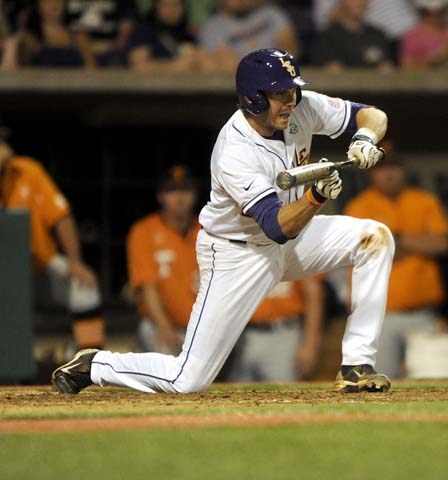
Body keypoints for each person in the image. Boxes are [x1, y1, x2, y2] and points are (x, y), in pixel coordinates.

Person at [52, 48, 393, 395]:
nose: (290, 101)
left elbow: (373, 115)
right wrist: (316, 197)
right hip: (238, 255)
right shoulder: (235, 149)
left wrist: (365, 137)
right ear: (253, 98)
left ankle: (356, 365)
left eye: (292, 91)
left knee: (375, 238)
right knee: (187, 379)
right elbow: (277, 227)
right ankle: (96, 364)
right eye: (279, 94)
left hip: (295, 235)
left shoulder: (300, 106)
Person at [344, 141, 448, 378]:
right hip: (380, 317)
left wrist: (394, 239)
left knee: (432, 383)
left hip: (423, 314)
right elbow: (361, 251)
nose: (389, 173)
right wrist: (416, 242)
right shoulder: (359, 207)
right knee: (380, 383)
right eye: (382, 168)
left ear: (403, 170)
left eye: (394, 167)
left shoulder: (424, 202)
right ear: (372, 172)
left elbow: (441, 244)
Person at [0, 118, 105, 352]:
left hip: (39, 265)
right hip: (5, 276)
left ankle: (89, 361)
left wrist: (75, 261)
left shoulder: (27, 170)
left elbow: (61, 216)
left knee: (84, 288)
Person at [127, 165, 200, 355]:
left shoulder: (208, 229)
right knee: (164, 377)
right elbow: (146, 286)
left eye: (185, 190)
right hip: (161, 326)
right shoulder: (144, 231)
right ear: (160, 196)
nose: (179, 197)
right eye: (172, 191)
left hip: (202, 329)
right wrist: (164, 327)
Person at [229, 277, 324, 382]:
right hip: (244, 334)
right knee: (239, 392)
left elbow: (313, 293)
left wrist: (310, 344)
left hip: (283, 334)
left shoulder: (296, 260)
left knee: (283, 392)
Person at [198, 0, 299, 72]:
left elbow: (289, 49)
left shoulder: (272, 14)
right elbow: (226, 64)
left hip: (276, 78)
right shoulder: (211, 26)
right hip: (238, 86)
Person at [124, 0, 212, 72]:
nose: (172, 10)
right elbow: (139, 66)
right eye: (165, 6)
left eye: (176, 5)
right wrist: (175, 66)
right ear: (156, 7)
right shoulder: (144, 30)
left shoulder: (188, 33)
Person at [311, 0, 394, 71]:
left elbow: (388, 67)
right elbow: (331, 70)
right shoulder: (328, 37)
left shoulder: (378, 35)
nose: (360, 3)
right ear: (342, 2)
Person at [18, 0, 96, 68]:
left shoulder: (79, 36)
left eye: (58, 1)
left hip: (76, 83)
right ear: (38, 5)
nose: (53, 5)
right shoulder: (29, 38)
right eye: (47, 1)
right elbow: (22, 69)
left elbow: (91, 68)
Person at [63, 0, 137, 65]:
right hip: (72, 48)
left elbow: (127, 25)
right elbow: (56, 25)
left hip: (110, 50)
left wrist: (117, 46)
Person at [401, 0, 448, 69]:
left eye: (442, 10)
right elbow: (407, 67)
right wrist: (435, 59)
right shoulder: (412, 35)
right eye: (435, 12)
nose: (439, 15)